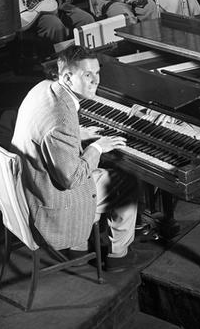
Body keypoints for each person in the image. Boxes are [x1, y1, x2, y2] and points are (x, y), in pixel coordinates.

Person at [10, 45, 140, 271]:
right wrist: (97, 147)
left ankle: (79, 248)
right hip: (51, 203)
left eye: (97, 72)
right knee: (127, 179)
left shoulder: (42, 88)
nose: (96, 81)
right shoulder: (61, 121)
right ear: (68, 77)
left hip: (31, 183)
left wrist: (77, 134)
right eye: (87, 75)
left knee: (99, 168)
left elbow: (44, 132)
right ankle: (118, 255)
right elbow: (72, 179)